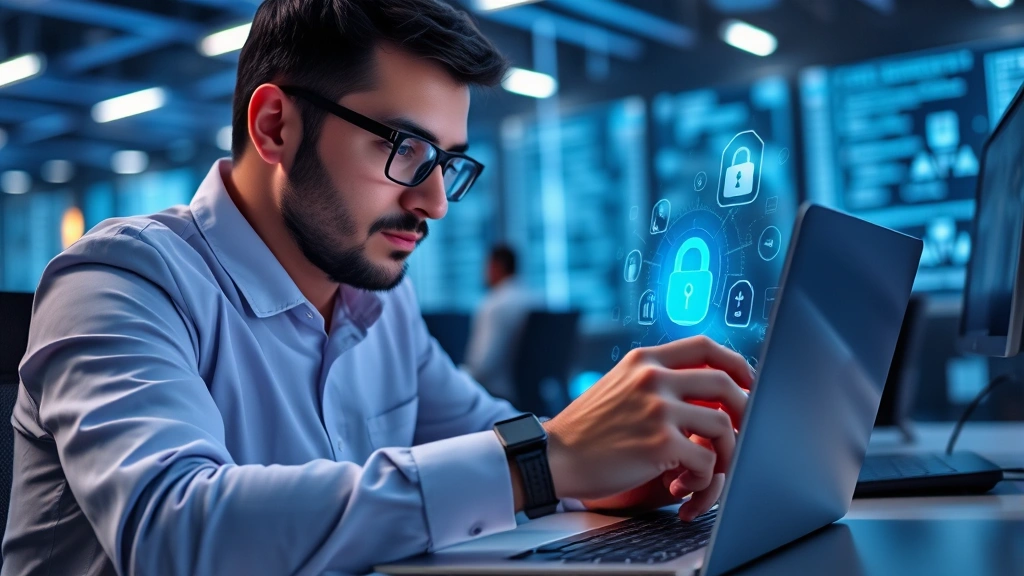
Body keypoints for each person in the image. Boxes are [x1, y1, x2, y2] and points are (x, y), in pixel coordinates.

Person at [1, 1, 753, 574]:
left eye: (448, 161)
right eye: (404, 149)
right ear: (275, 129)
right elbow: (176, 532)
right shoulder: (117, 282)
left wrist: (613, 465)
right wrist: (546, 461)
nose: (434, 203)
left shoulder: (379, 300)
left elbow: (492, 434)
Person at [463, 245, 537, 403]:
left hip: (498, 396)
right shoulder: (535, 300)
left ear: (495, 266)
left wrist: (455, 376)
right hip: (535, 399)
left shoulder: (494, 305)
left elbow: (482, 367)